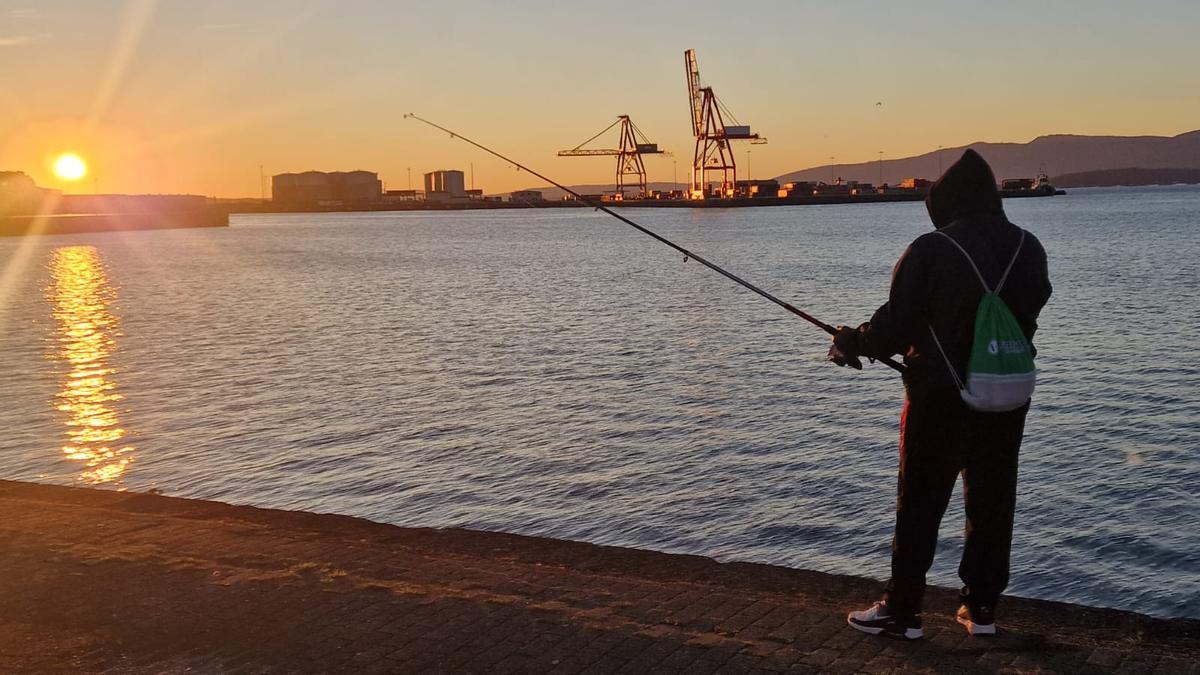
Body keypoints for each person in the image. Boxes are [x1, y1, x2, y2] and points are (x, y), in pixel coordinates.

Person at [833, 149, 1052, 640]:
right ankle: (982, 610)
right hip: (1004, 391)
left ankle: (903, 611)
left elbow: (897, 324)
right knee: (993, 502)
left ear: (945, 201)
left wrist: (853, 340)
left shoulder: (931, 249)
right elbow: (1033, 307)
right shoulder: (1028, 246)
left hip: (938, 396)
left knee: (919, 503)